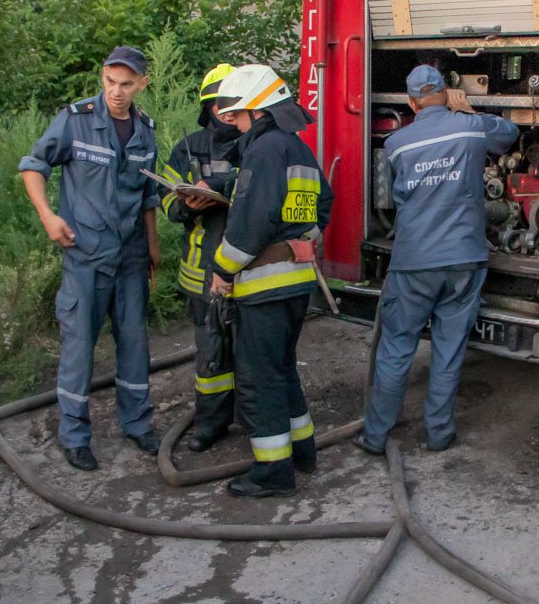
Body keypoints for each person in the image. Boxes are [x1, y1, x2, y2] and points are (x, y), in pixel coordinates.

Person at [354, 64, 518, 455]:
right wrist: (469, 111)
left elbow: (395, 197)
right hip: (464, 259)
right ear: (446, 94)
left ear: (411, 103)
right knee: (449, 350)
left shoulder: (397, 144)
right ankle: (439, 434)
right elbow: (509, 134)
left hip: (413, 261)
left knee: (396, 348)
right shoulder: (471, 128)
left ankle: (375, 436)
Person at [19, 46, 162, 472]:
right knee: (80, 347)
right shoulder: (76, 120)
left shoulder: (145, 131)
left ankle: (137, 424)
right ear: (102, 77)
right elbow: (33, 165)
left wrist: (153, 242)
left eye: (126, 84)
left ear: (142, 84)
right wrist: (48, 216)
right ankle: (75, 436)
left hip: (131, 257)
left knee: (134, 344)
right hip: (86, 255)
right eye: (110, 82)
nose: (116, 92)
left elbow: (147, 194)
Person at [208, 64, 334, 498]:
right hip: (296, 284)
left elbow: (250, 222)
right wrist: (302, 241)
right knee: (282, 370)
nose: (236, 124)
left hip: (264, 288)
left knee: (261, 381)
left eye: (239, 116)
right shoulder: (298, 149)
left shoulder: (263, 150)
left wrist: (223, 270)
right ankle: (303, 453)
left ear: (257, 110)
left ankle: (273, 473)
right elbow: (323, 204)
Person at [160, 64, 241, 452]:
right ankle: (211, 424)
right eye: (220, 104)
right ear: (208, 107)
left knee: (252, 352)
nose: (228, 112)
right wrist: (185, 205)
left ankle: (256, 419)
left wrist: (224, 186)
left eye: (235, 104)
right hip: (202, 272)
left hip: (248, 270)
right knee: (211, 355)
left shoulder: (257, 143)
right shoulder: (188, 147)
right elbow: (165, 201)